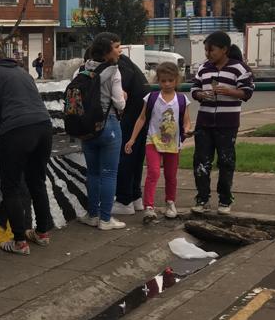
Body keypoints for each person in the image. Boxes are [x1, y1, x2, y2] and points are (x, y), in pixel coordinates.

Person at [0, 43, 55, 255]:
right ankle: (42, 233)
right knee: (37, 181)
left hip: (17, 131)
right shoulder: (22, 71)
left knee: (10, 186)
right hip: (44, 127)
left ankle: (20, 242)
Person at [190, 31, 254, 214]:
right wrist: (200, 94)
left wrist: (229, 92)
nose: (208, 54)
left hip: (227, 123)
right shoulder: (203, 68)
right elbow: (194, 88)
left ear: (224, 49)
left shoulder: (239, 68)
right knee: (201, 161)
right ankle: (202, 199)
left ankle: (225, 199)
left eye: (212, 50)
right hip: (204, 121)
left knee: (226, 161)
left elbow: (247, 92)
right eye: (206, 50)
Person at [123, 61, 192, 222]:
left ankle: (170, 202)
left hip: (173, 144)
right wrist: (132, 139)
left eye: (170, 80)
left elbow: (186, 121)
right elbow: (142, 118)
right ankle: (149, 206)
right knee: (153, 172)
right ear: (158, 80)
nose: (167, 84)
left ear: (176, 80)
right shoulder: (152, 98)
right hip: (152, 140)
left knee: (171, 175)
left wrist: (187, 130)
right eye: (163, 81)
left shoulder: (182, 100)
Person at [78, 33, 127, 230]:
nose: (119, 50)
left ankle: (92, 215)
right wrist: (123, 96)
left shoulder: (81, 70)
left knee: (93, 173)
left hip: (87, 128)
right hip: (109, 127)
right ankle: (106, 219)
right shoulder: (114, 72)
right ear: (107, 52)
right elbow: (120, 103)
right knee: (109, 174)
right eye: (116, 46)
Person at [112, 51, 150, 215]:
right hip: (142, 112)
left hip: (132, 115)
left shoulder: (120, 66)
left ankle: (124, 200)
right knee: (135, 156)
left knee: (126, 155)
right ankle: (135, 197)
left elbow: (121, 94)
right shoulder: (128, 63)